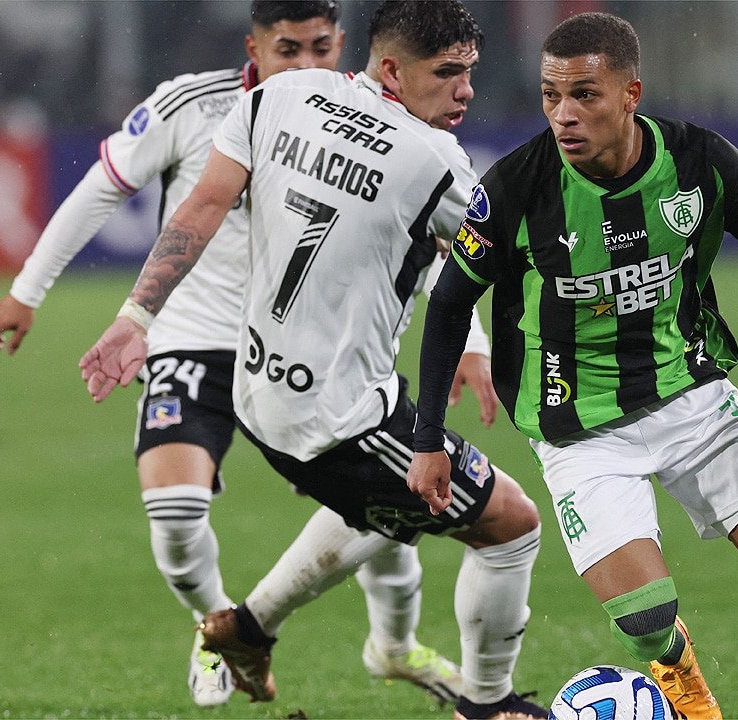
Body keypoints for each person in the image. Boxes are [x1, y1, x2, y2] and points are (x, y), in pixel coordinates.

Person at [408, 12, 738, 720]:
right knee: (647, 621)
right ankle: (694, 701)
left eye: (585, 94)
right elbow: (449, 306)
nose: (564, 115)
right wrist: (429, 438)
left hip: (693, 399)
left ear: (630, 94)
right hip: (578, 432)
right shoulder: (516, 188)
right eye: (552, 96)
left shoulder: (702, 161)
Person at [0, 0, 470, 708]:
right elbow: (103, 188)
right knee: (176, 514)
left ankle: (394, 645)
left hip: (314, 352)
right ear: (253, 47)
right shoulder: (194, 106)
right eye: (288, 49)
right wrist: (29, 291)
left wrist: (472, 344)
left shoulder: (376, 126)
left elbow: (430, 253)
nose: (306, 65)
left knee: (386, 514)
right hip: (199, 337)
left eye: (321, 48)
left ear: (342, 46)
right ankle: (215, 626)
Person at [78, 2, 548, 718]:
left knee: (382, 503)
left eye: (471, 73)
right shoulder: (437, 163)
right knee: (512, 526)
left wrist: (135, 317)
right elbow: (495, 263)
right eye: (448, 73)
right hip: (339, 415)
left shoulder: (278, 97)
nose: (466, 91)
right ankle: (488, 704)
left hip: (258, 390)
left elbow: (202, 206)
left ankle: (246, 628)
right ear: (392, 69)